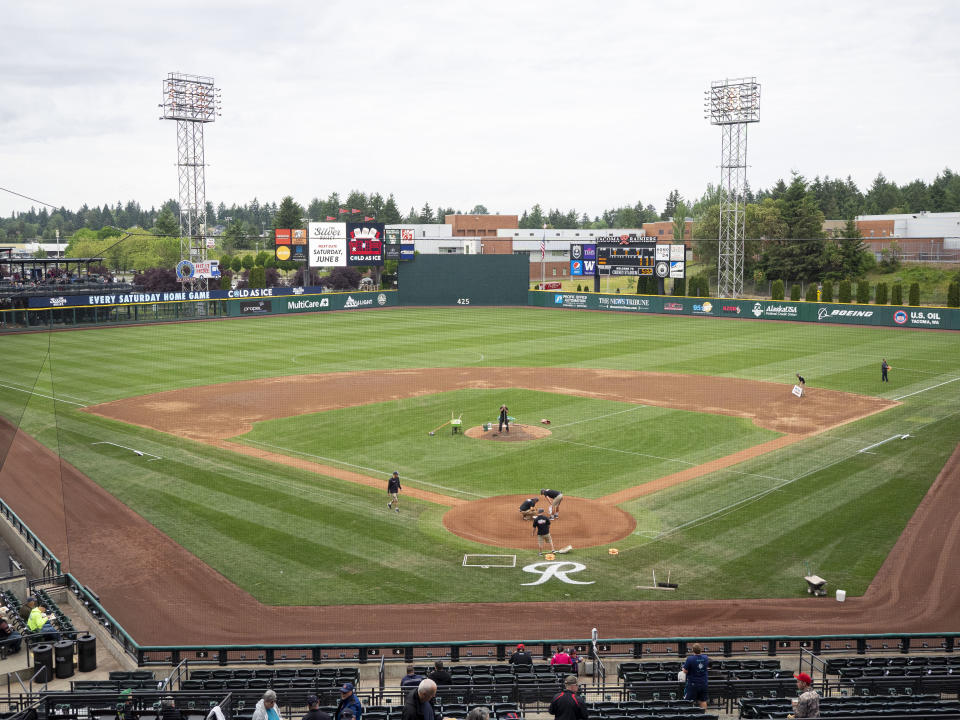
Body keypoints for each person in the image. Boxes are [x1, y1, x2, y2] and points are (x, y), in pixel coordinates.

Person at [682, 642, 710, 710]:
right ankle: (703, 716)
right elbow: (706, 667)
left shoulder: (690, 659)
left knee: (689, 701)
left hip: (693, 684)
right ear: (700, 650)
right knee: (703, 700)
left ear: (693, 650)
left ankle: (690, 716)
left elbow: (685, 671)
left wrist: (684, 669)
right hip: (703, 683)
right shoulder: (706, 657)